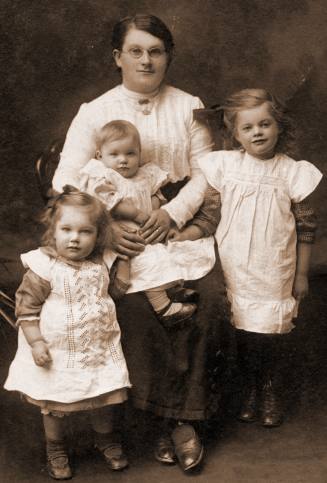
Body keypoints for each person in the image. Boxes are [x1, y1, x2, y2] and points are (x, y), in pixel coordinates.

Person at [52, 14, 230, 472]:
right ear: (118, 57)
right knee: (134, 305)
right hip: (123, 238)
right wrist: (109, 227)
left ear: (167, 56)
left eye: (155, 51)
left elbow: (210, 172)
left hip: (178, 230)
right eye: (136, 51)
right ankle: (170, 422)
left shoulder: (188, 105)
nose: (146, 60)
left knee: (206, 299)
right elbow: (66, 180)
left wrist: (172, 213)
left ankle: (179, 422)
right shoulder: (94, 111)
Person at [198, 88, 323, 427]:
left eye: (265, 124)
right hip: (234, 267)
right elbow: (209, 216)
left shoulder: (291, 172)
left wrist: (301, 274)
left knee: (269, 335)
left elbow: (307, 226)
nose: (258, 133)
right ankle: (249, 389)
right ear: (235, 134)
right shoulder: (226, 167)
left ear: (278, 126)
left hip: (274, 269)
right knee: (240, 334)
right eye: (248, 128)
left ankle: (269, 388)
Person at [4, 189, 131, 480]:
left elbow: (116, 293)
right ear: (53, 231)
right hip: (56, 350)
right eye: (67, 230)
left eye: (85, 231)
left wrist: (124, 264)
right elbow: (26, 310)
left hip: (98, 345)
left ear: (98, 236)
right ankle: (55, 447)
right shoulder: (44, 266)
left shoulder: (101, 262)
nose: (75, 238)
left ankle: (105, 439)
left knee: (102, 395)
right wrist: (36, 342)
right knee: (54, 404)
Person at [79, 119, 216, 329]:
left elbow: (156, 196)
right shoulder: (102, 175)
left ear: (139, 154)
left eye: (130, 153)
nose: (123, 160)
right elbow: (111, 204)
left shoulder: (146, 174)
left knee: (172, 251)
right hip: (121, 233)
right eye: (114, 154)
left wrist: (154, 210)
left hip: (146, 229)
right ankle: (163, 308)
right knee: (146, 262)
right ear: (100, 156)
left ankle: (171, 287)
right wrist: (141, 216)